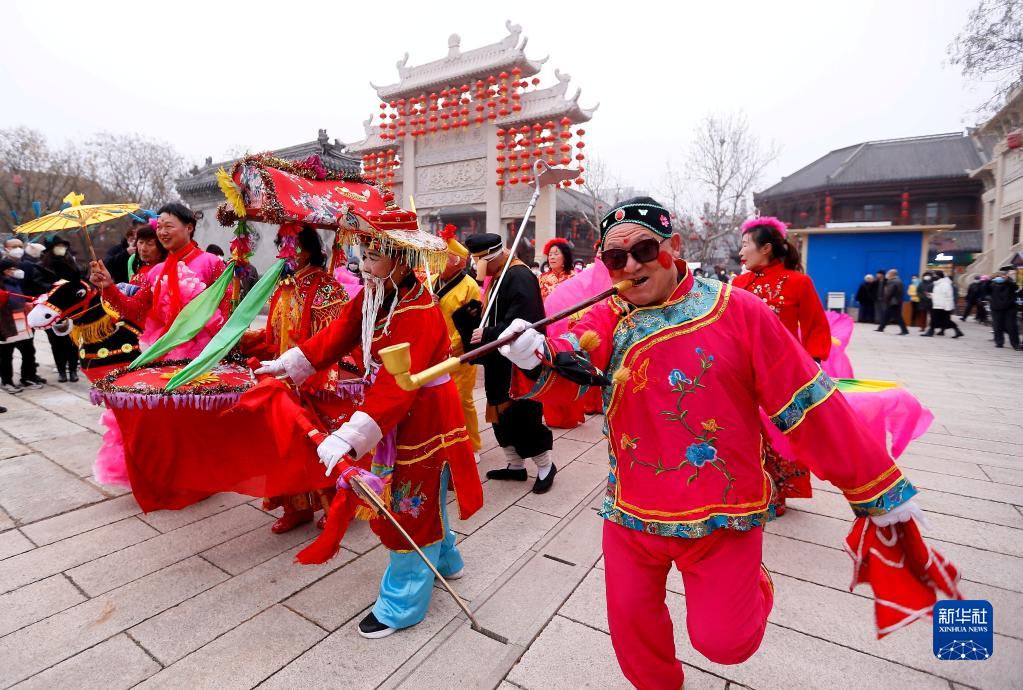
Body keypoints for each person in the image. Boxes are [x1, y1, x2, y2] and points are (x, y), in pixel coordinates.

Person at [496, 197, 925, 690]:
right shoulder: (607, 317)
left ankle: (754, 585)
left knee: (727, 643)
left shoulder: (737, 310)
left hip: (722, 513)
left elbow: (809, 402)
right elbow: (571, 367)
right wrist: (536, 354)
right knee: (634, 641)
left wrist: (872, 486)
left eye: (643, 249)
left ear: (673, 247)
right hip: (632, 510)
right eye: (616, 258)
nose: (631, 265)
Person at [255, 218, 483, 639]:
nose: (363, 263)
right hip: (393, 406)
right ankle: (446, 560)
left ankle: (403, 602)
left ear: (400, 260)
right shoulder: (377, 294)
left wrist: (348, 438)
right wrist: (292, 362)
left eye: (373, 256)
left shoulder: (418, 310)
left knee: (409, 502)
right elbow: (337, 334)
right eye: (363, 254)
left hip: (423, 414)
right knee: (423, 494)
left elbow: (397, 387)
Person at [240, 226, 349, 533]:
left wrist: (314, 376)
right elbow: (276, 336)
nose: (286, 252)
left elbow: (334, 338)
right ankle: (296, 507)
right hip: (281, 379)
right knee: (281, 447)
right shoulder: (283, 285)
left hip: (311, 379)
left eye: (293, 246)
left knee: (320, 445)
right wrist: (245, 339)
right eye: (282, 245)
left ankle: (337, 506)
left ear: (310, 249)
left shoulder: (326, 286)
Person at [733, 216, 830, 512]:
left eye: (745, 244)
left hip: (784, 372)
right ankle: (742, 486)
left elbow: (815, 326)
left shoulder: (799, 283)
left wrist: (811, 364)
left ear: (765, 249)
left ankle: (777, 490)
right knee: (741, 428)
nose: (741, 252)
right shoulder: (738, 284)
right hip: (741, 370)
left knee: (782, 432)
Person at [465, 232, 556, 494]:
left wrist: (490, 334)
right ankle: (515, 466)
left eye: (478, 261)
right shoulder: (498, 275)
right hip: (498, 359)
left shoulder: (519, 276)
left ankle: (545, 466)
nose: (476, 267)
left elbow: (525, 323)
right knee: (499, 415)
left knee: (521, 415)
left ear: (491, 257)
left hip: (518, 362)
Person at [88, 203, 228, 359]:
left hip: (206, 352)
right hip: (164, 349)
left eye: (168, 226)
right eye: (159, 227)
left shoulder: (211, 262)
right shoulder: (156, 271)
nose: (162, 232)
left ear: (189, 228)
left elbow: (227, 308)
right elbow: (136, 310)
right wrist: (108, 287)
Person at [432, 225, 483, 460]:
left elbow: (469, 325)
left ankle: (471, 445)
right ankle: (442, 440)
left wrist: (451, 348)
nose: (439, 262)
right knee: (437, 399)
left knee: (462, 398)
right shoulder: (430, 281)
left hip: (458, 350)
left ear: (460, 263)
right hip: (433, 350)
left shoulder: (470, 286)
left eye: (445, 258)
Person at [35, 238, 83, 382]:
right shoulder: (41, 266)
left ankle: (73, 370)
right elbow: (37, 284)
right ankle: (61, 371)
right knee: (56, 343)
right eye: (58, 246)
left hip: (71, 309)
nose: (61, 248)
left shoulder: (71, 263)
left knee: (73, 341)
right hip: (52, 309)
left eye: (63, 246)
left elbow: (79, 281)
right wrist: (55, 286)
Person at [0, 258, 41, 393]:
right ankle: (7, 381)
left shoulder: (16, 282)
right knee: (6, 356)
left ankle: (27, 377)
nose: (18, 271)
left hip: (23, 323)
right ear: (6, 271)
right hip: (7, 325)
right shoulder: (1, 284)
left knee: (29, 352)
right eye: (14, 268)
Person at [922, 270, 963, 338]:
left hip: (942, 306)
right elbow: (939, 295)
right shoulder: (938, 284)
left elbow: (947, 296)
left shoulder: (945, 284)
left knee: (938, 319)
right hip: (938, 304)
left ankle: (931, 332)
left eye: (935, 275)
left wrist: (947, 307)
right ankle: (957, 331)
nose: (933, 277)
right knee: (942, 320)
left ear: (939, 276)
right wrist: (930, 295)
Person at [988, 271, 1020, 349]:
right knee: (997, 326)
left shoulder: (1010, 283)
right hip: (996, 308)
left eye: (1003, 276)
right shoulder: (992, 284)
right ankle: (999, 342)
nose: (1000, 277)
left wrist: (1006, 280)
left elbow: (1016, 287)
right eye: (998, 276)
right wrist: (989, 280)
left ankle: (1015, 344)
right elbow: (985, 290)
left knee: (1011, 326)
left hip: (1010, 308)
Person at [875, 269, 909, 335]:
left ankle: (904, 330)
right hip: (897, 301)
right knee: (886, 315)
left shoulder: (892, 281)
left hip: (893, 302)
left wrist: (886, 300)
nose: (887, 275)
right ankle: (881, 328)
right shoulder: (899, 281)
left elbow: (889, 292)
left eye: (888, 273)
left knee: (898, 317)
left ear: (892, 274)